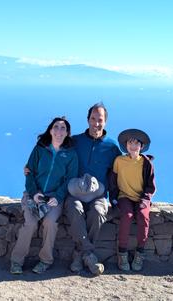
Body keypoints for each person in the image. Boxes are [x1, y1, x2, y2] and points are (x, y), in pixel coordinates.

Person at [10, 117, 78, 274]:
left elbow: (70, 179)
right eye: (56, 127)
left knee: (50, 223)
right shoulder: (40, 149)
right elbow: (29, 172)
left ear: (67, 133)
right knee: (30, 224)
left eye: (63, 128)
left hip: (55, 198)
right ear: (50, 130)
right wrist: (34, 193)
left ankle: (45, 260)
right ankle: (16, 261)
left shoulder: (71, 155)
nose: (59, 131)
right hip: (33, 195)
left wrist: (59, 197)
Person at [65, 102, 121, 275]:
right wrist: (32, 168)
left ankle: (79, 254)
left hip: (99, 195)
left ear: (106, 122)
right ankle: (88, 254)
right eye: (93, 119)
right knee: (74, 209)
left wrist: (116, 199)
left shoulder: (112, 147)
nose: (96, 123)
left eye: (100, 120)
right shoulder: (75, 141)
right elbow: (57, 159)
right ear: (88, 119)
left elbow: (118, 174)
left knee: (98, 212)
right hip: (75, 193)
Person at [109, 129, 156, 271]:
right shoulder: (119, 161)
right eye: (130, 142)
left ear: (141, 146)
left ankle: (140, 253)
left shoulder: (146, 163)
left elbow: (150, 185)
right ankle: (122, 253)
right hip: (124, 196)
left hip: (141, 198)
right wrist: (113, 198)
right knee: (127, 216)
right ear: (126, 145)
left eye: (137, 143)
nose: (133, 146)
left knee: (143, 216)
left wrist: (145, 199)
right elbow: (113, 181)